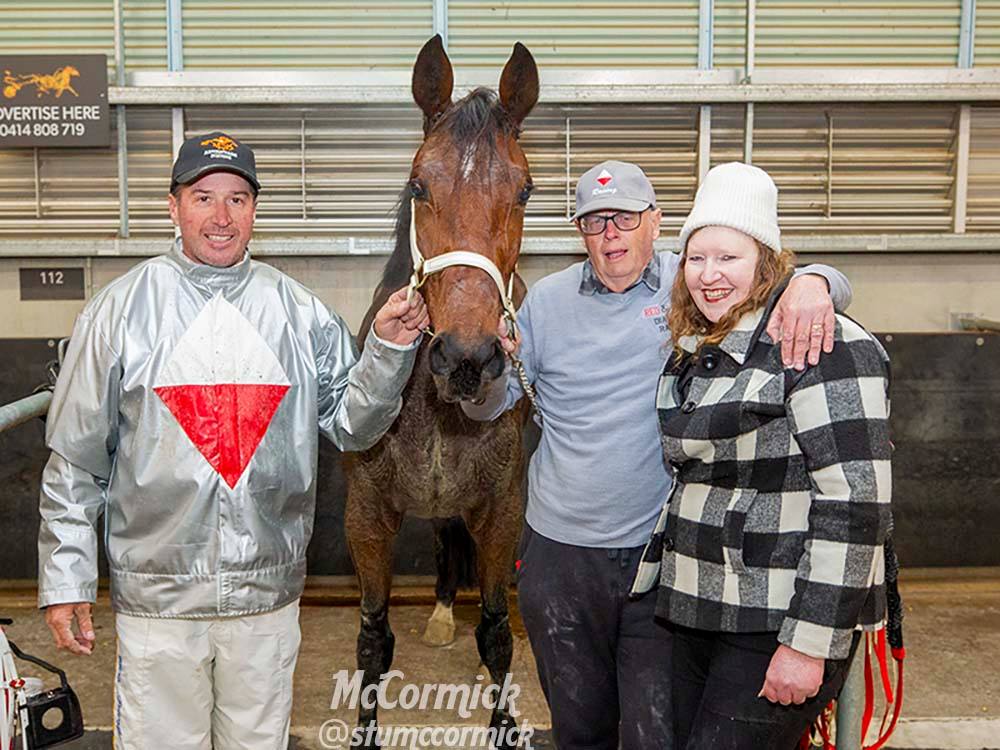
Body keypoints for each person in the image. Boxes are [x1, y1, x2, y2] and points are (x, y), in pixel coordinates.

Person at [36, 131, 429, 749]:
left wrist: (388, 349)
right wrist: (66, 584)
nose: (221, 217)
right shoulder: (116, 313)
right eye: (203, 197)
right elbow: (75, 464)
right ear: (173, 207)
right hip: (157, 607)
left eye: (238, 199)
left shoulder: (300, 313)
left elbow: (355, 425)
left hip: (265, 603)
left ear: (254, 211)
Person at [462, 160, 853, 749]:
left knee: (656, 733)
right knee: (581, 729)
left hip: (666, 558)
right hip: (561, 556)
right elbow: (489, 408)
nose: (610, 234)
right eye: (594, 222)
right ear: (580, 232)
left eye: (624, 217)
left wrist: (817, 281)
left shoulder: (696, 285)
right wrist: (484, 369)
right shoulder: (546, 300)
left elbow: (775, 275)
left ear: (656, 221)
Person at [632, 162, 891, 749]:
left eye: (729, 258)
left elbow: (856, 506)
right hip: (697, 604)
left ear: (767, 260)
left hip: (776, 618)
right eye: (696, 259)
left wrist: (808, 643)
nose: (709, 275)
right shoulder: (701, 346)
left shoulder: (826, 343)